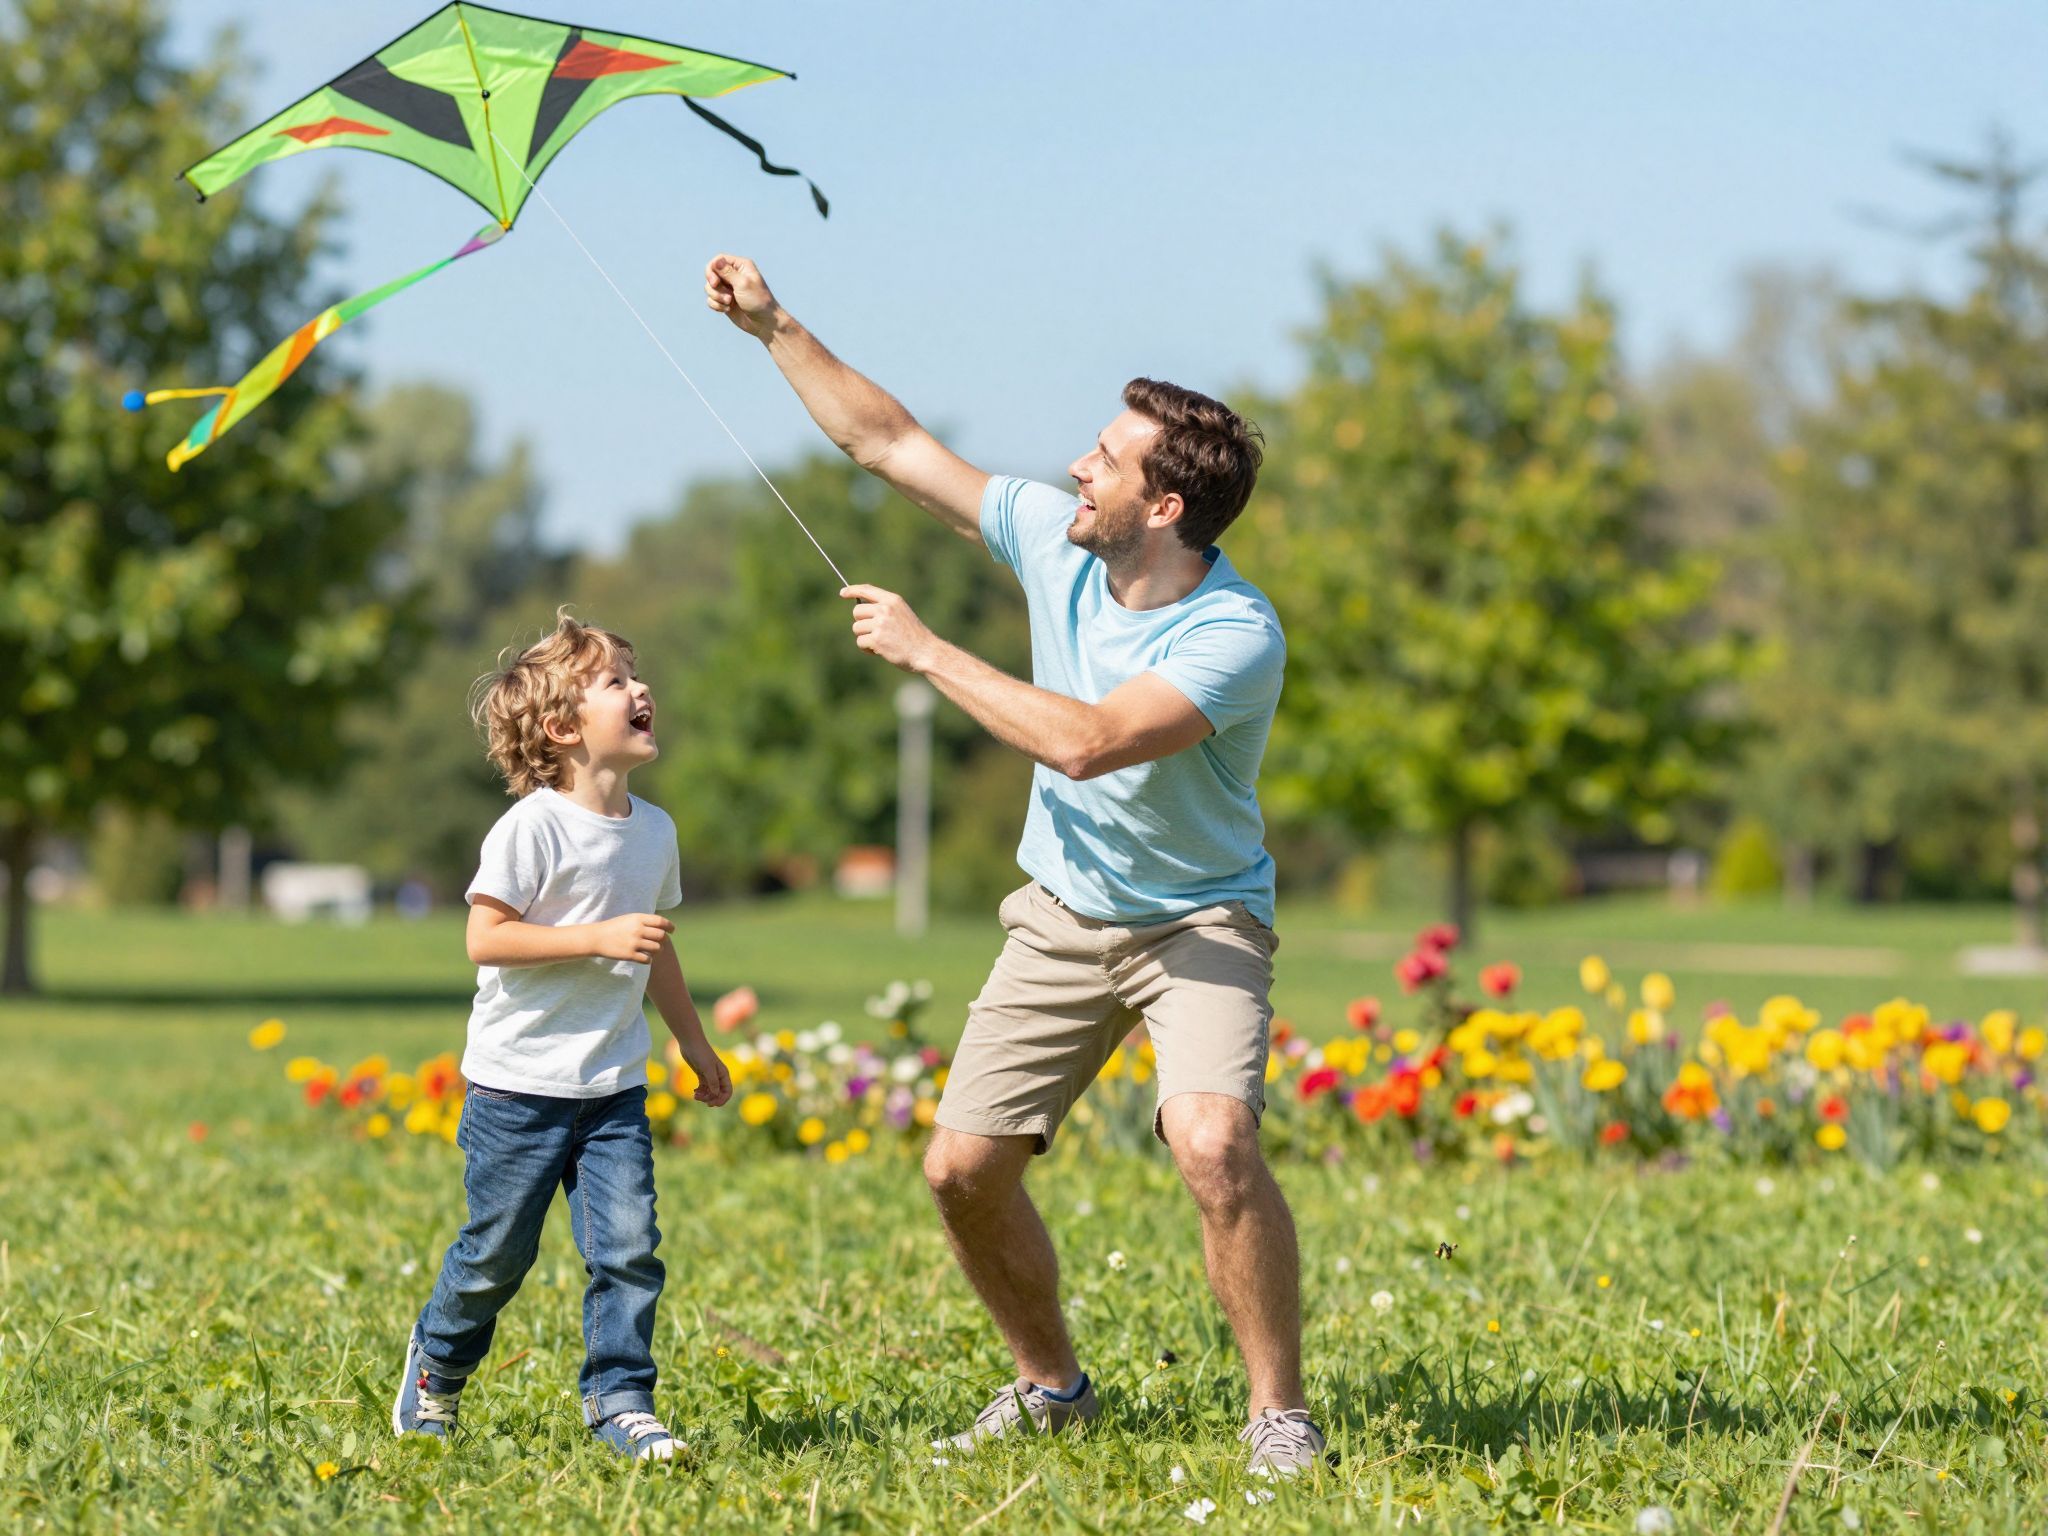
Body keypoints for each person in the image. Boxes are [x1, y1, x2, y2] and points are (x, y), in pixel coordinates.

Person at [705, 256, 1326, 1476]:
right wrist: (773, 327)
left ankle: (1278, 1417)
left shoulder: (1231, 633)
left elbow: (1089, 744)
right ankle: (1051, 1389)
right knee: (958, 1173)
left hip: (1195, 920)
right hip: (1061, 914)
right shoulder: (1055, 538)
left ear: (1162, 509)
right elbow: (886, 442)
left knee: (1209, 1142)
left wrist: (930, 655)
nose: (1076, 466)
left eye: (1106, 456)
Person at [392, 609, 734, 1460]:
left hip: (612, 1088)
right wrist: (594, 936)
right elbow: (486, 938)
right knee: (494, 1258)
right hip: (517, 1090)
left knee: (628, 1252)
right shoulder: (530, 828)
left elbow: (655, 953)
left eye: (634, 675)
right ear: (562, 727)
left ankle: (620, 1400)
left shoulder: (654, 832)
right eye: (615, 681)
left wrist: (696, 1046)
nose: (640, 688)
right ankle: (436, 1368)